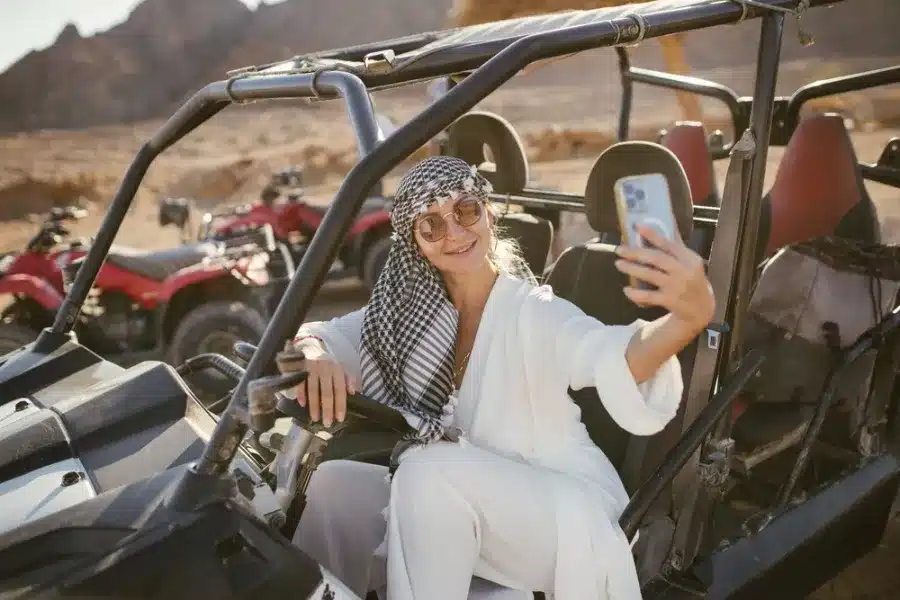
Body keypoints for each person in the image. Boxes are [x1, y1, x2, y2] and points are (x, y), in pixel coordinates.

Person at [284, 156, 715, 600]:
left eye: (466, 210)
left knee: (424, 469)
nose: (454, 232)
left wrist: (685, 321)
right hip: (460, 503)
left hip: (565, 514)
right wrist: (314, 353)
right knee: (335, 485)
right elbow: (323, 335)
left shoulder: (533, 312)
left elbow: (612, 354)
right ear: (415, 243)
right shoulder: (409, 318)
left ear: (489, 214)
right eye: (431, 224)